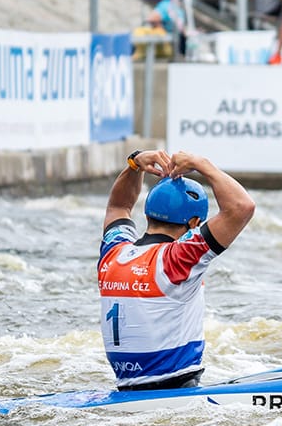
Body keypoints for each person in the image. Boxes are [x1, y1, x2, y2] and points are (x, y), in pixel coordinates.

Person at [98, 149, 255, 390]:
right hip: (176, 390)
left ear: (148, 213)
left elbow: (118, 207)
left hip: (126, 387)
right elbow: (241, 207)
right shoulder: (178, 259)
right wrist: (201, 164)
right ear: (194, 223)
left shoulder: (114, 253)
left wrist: (134, 164)